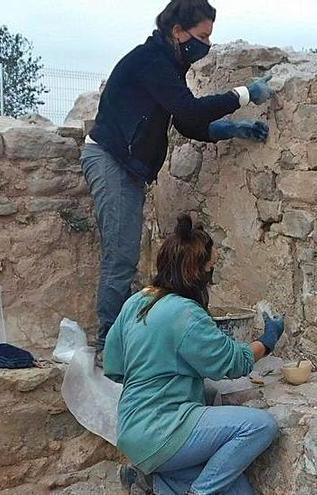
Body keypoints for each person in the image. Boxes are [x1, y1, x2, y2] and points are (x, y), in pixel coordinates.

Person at [82, 0, 274, 360]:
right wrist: (244, 95)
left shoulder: (171, 64)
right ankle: (108, 350)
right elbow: (188, 110)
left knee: (124, 253)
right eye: (202, 36)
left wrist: (232, 130)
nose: (206, 46)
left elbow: (187, 123)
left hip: (127, 165)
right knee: (121, 256)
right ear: (177, 31)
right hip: (110, 159)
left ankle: (119, 341)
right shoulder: (150, 61)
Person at [104, 214, 285, 495]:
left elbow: (115, 367)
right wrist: (267, 341)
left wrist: (164, 370)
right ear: (197, 272)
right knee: (261, 426)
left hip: (130, 429)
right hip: (162, 429)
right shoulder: (186, 314)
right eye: (211, 268)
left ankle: (153, 481)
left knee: (238, 489)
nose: (211, 278)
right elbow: (234, 362)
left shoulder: (137, 302)